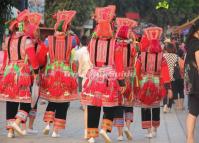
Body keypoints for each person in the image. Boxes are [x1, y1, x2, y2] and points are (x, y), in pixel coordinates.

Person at [81, 5, 126, 143]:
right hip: (109, 76)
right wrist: (122, 82)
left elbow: (89, 54)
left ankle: (91, 136)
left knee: (93, 105)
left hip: (94, 75)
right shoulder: (116, 45)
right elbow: (119, 65)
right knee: (110, 105)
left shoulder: (92, 42)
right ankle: (104, 129)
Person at [0, 10, 42, 137]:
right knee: (26, 101)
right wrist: (36, 73)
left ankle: (10, 132)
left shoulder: (8, 40)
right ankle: (17, 122)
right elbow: (33, 59)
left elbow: (6, 58)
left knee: (11, 100)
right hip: (22, 72)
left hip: (9, 72)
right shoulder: (27, 40)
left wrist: (2, 73)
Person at [40, 10, 79, 138]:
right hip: (66, 73)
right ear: (67, 28)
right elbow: (76, 46)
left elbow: (43, 55)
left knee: (52, 99)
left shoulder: (48, 40)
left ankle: (47, 124)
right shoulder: (72, 40)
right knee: (63, 101)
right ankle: (56, 130)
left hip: (52, 72)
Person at [135, 27, 172, 138]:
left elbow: (136, 71)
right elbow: (165, 74)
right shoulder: (162, 57)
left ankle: (149, 131)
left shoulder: (142, 56)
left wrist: (137, 84)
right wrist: (169, 88)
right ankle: (155, 128)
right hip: (157, 84)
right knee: (155, 106)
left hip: (145, 82)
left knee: (145, 105)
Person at [113, 17, 138, 141]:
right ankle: (128, 127)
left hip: (118, 78)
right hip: (130, 77)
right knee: (129, 103)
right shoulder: (132, 47)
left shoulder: (114, 47)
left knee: (119, 105)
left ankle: (119, 134)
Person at [185, 19, 199, 143]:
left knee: (193, 110)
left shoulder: (190, 42)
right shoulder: (197, 43)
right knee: (193, 111)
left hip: (191, 82)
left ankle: (190, 138)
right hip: (197, 81)